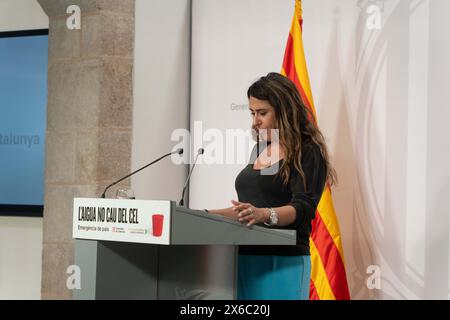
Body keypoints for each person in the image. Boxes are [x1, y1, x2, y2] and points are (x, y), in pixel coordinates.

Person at [205, 72, 337, 300]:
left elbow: (302, 209)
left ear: (284, 111)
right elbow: (251, 209)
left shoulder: (308, 151)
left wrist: (264, 214)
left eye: (262, 113)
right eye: (252, 113)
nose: (255, 121)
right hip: (244, 259)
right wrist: (205, 215)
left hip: (283, 262)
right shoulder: (261, 148)